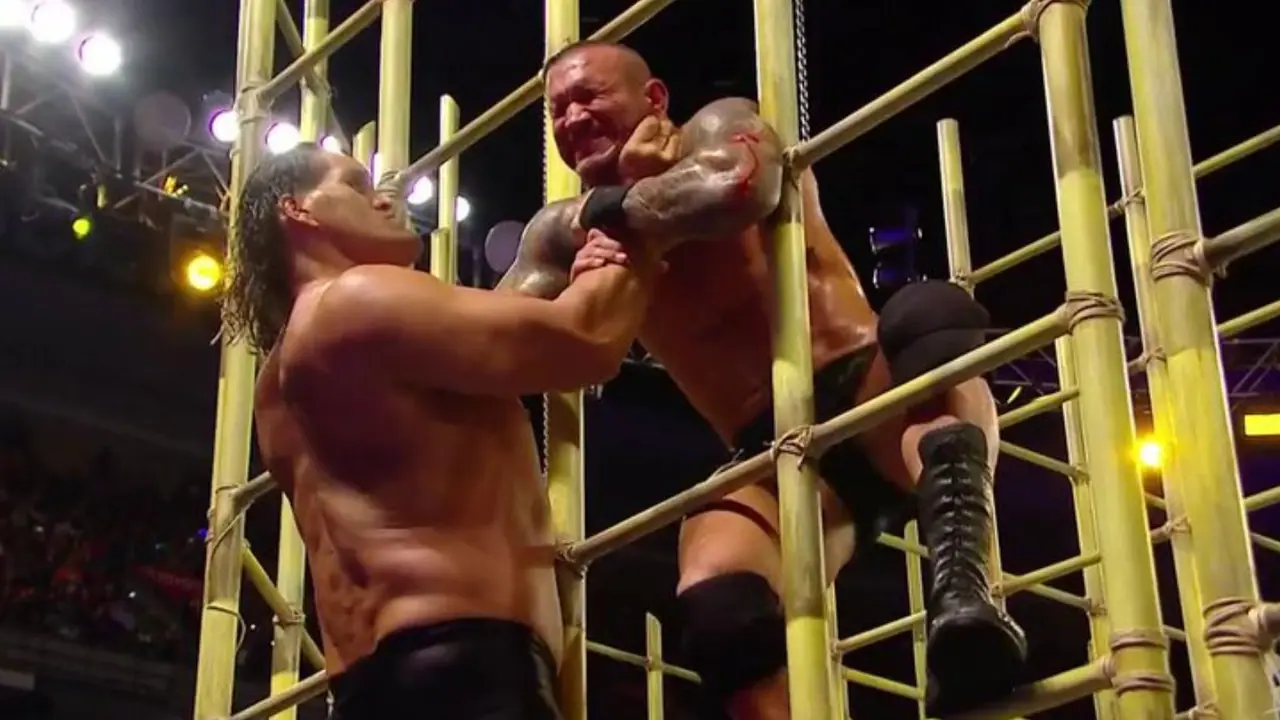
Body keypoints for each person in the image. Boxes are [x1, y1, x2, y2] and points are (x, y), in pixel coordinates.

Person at [501, 41, 1027, 718]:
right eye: (557, 110)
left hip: (874, 389)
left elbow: (738, 188)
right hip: (773, 452)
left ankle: (965, 599)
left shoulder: (715, 126)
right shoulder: (560, 233)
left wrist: (617, 203)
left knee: (932, 318)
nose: (572, 119)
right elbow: (495, 330)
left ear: (653, 98)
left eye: (589, 96)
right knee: (718, 604)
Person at [220, 144, 666, 719]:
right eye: (355, 185)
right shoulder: (355, 299)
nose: (386, 199)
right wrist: (635, 231)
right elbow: (584, 340)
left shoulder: (276, 386)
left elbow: (493, 344)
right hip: (462, 673)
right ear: (298, 210)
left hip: (364, 691)